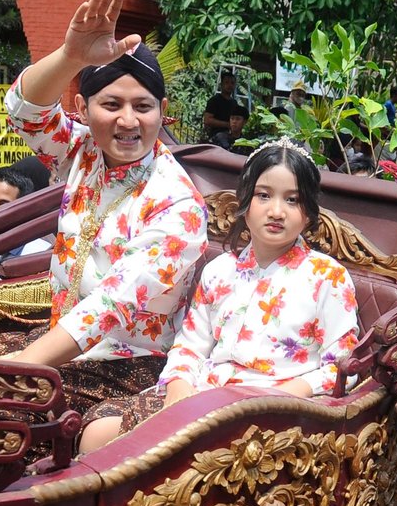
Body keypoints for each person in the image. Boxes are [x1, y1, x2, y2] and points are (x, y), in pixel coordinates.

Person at [0, 0, 208, 422]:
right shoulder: (82, 151)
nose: (128, 120)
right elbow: (24, 110)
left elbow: (111, 306)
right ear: (82, 108)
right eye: (111, 104)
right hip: (60, 341)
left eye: (143, 106)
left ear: (162, 110)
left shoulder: (178, 204)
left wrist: (14, 369)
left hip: (129, 365)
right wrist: (70, 56)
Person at [79, 135, 359, 452]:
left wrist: (293, 392)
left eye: (292, 200)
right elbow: (190, 345)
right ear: (245, 204)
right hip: (204, 395)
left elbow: (343, 366)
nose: (277, 211)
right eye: (264, 196)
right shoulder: (219, 271)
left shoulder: (328, 277)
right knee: (96, 430)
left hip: (275, 414)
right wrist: (178, 387)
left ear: (308, 212)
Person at [203, 70, 237, 137]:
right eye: (226, 82)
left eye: (232, 83)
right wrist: (227, 124)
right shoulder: (214, 100)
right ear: (221, 84)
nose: (230, 85)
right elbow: (207, 120)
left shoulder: (234, 103)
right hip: (215, 136)